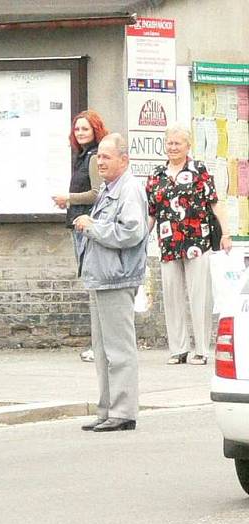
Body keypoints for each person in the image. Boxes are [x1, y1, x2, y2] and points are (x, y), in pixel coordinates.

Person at [74, 133, 149, 432]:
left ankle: (123, 411)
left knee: (119, 349)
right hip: (102, 277)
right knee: (103, 349)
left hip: (117, 278)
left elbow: (131, 232)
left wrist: (92, 227)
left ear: (123, 159)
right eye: (98, 157)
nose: (100, 162)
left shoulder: (129, 189)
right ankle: (108, 409)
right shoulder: (109, 188)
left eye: (106, 157)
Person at [146, 124, 232, 366]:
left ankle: (202, 350)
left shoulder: (199, 170)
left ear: (187, 146)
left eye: (178, 143)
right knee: (172, 296)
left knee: (199, 296)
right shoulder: (156, 175)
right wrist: (140, 238)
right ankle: (178, 349)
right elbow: (151, 212)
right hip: (169, 242)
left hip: (197, 241)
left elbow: (215, 203)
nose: (173, 147)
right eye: (170, 143)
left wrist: (226, 233)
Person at [52, 110, 109, 363]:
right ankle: (98, 344)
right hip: (78, 224)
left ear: (96, 130)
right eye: (77, 129)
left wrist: (69, 198)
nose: (81, 133)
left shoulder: (95, 157)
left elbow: (97, 193)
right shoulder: (82, 156)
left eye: (85, 128)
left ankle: (100, 345)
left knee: (95, 284)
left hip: (89, 225)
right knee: (91, 284)